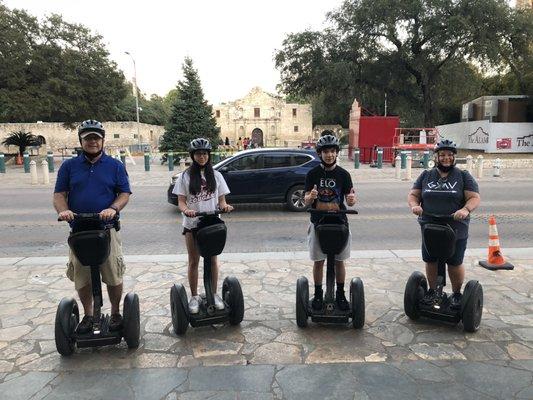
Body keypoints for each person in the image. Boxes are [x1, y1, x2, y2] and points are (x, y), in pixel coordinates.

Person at [54, 120, 131, 333]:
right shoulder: (69, 167)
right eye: (88, 138)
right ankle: (88, 314)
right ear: (81, 141)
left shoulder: (115, 165)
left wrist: (113, 208)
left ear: (103, 140)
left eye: (96, 137)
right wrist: (63, 211)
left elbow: (124, 193)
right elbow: (59, 195)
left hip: (107, 228)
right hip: (79, 229)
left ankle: (115, 312)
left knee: (113, 273)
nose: (93, 141)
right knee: (82, 275)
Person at [407, 139, 480, 309]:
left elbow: (474, 197)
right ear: (437, 157)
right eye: (442, 155)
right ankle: (432, 291)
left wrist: (465, 210)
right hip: (430, 226)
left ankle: (456, 293)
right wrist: (415, 206)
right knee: (431, 259)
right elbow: (413, 195)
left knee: (454, 261)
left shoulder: (463, 176)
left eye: (449, 155)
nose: (446, 158)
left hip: (455, 226)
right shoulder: (426, 175)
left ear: (454, 157)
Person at [173, 138, 234, 313]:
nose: (202, 157)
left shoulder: (216, 175)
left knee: (213, 259)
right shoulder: (185, 176)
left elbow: (222, 199)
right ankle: (194, 296)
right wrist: (187, 210)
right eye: (199, 154)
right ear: (193, 155)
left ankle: (213, 293)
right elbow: (181, 201)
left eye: (205, 153)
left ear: (209, 155)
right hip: (193, 224)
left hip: (212, 222)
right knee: (194, 260)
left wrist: (224, 206)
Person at [303, 134, 356, 311]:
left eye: (332, 151)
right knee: (319, 261)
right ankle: (318, 295)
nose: (329, 155)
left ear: (336, 153)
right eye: (326, 152)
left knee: (340, 261)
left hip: (339, 222)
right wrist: (310, 197)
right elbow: (306, 200)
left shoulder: (344, 174)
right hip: (318, 222)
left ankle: (340, 294)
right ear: (320, 153)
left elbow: (350, 199)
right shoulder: (313, 174)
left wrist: (351, 200)